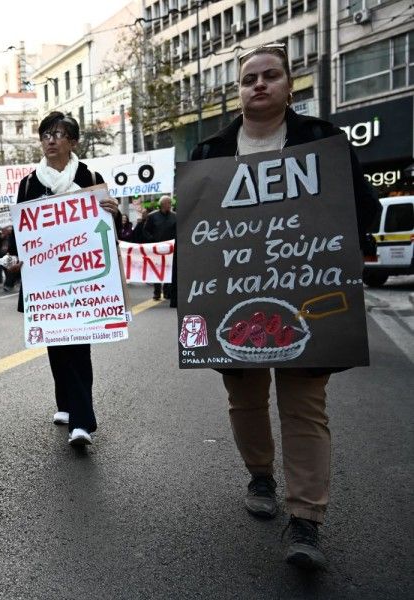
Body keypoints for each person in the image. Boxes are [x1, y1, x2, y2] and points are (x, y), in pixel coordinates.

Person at [189, 43, 380, 570]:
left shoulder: (324, 141)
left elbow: (363, 207)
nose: (259, 84)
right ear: (239, 89)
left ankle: (306, 518)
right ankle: (260, 475)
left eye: (270, 75)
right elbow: (195, 237)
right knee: (245, 399)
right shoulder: (209, 155)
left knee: (304, 407)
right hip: (232, 304)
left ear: (288, 83)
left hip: (307, 302)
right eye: (249, 77)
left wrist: (343, 257)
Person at [9, 111, 116, 448]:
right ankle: (66, 405)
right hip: (45, 280)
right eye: (45, 135)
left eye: (58, 134)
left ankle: (82, 422)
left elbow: (107, 232)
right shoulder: (30, 183)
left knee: (78, 346)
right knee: (57, 345)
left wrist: (114, 212)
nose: (50, 140)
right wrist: (13, 258)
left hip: (82, 279)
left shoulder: (90, 176)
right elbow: (21, 230)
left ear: (73, 141)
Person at [144, 195, 176, 301]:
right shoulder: (152, 216)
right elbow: (145, 230)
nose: (170, 205)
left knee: (169, 270)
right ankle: (156, 292)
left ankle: (167, 292)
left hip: (170, 249)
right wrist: (152, 240)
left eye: (170, 203)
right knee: (156, 270)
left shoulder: (175, 216)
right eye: (168, 203)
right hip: (156, 248)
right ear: (162, 204)